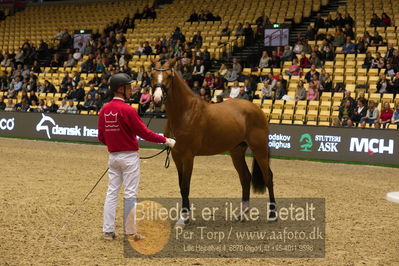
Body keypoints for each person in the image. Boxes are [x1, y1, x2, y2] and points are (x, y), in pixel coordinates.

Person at [98, 73, 176, 241]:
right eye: (128, 87)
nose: (131, 89)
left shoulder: (104, 110)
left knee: (112, 193)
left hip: (113, 157)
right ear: (121, 89)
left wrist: (115, 144)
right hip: (129, 157)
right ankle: (130, 231)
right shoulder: (127, 110)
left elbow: (101, 137)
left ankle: (108, 231)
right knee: (130, 194)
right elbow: (145, 133)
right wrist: (166, 140)